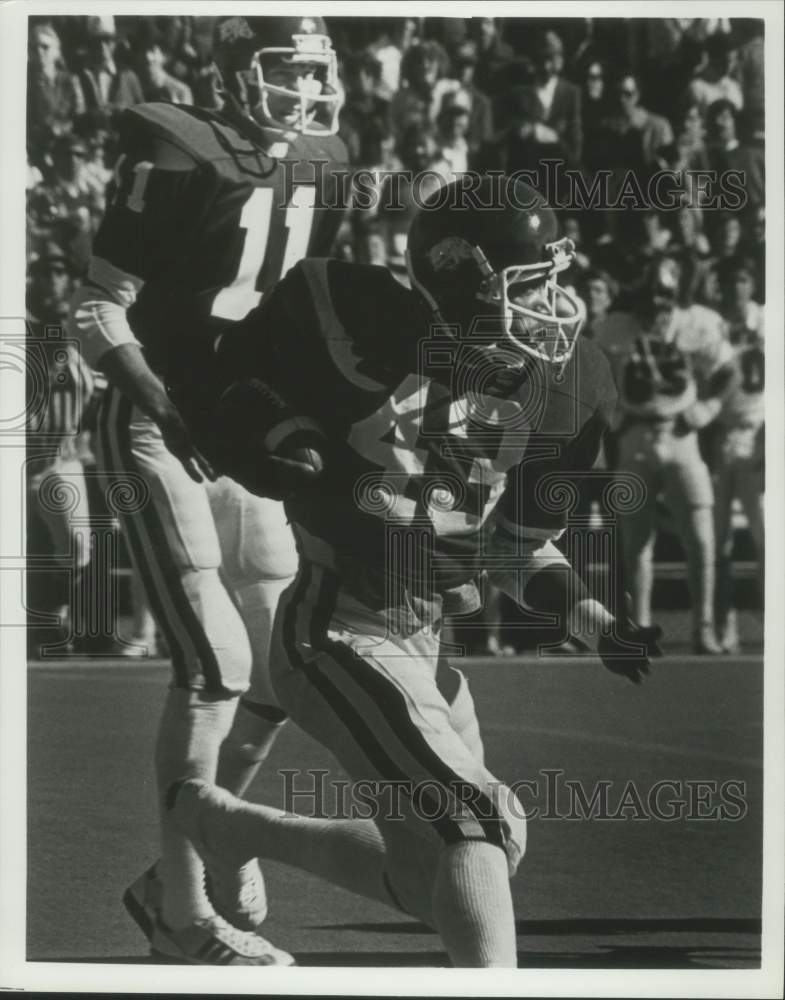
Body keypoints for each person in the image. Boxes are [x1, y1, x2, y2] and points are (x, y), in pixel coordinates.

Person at [159, 176, 660, 968]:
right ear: (459, 275)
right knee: (475, 820)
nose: (553, 304)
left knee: (448, 866)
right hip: (335, 625)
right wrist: (273, 434)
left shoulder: (569, 383)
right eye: (529, 284)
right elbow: (222, 381)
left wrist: (601, 627)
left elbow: (510, 547)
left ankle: (229, 826)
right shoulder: (343, 312)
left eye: (553, 281)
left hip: (425, 640)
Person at [68, 15, 347, 966]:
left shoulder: (322, 161)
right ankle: (185, 918)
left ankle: (195, 849)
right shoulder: (177, 151)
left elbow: (294, 305)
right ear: (237, 72)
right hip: (155, 423)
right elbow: (93, 305)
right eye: (288, 67)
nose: (306, 88)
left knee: (279, 669)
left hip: (239, 430)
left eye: (317, 68)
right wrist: (162, 402)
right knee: (214, 665)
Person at [593, 258, 738, 654]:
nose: (658, 310)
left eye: (665, 301)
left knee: (701, 541)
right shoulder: (614, 327)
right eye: (652, 300)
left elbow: (728, 369)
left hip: (681, 436)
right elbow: (590, 372)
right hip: (636, 437)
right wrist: (614, 415)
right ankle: (639, 628)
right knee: (635, 544)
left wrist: (706, 409)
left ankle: (703, 627)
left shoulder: (697, 323)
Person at [712, 260, 765, 653]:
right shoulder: (712, 324)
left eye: (743, 279)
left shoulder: (768, 320)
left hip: (759, 437)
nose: (736, 287)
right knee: (719, 542)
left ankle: (769, 620)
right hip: (718, 436)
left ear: (754, 283)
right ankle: (724, 623)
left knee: (767, 539)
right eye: (730, 280)